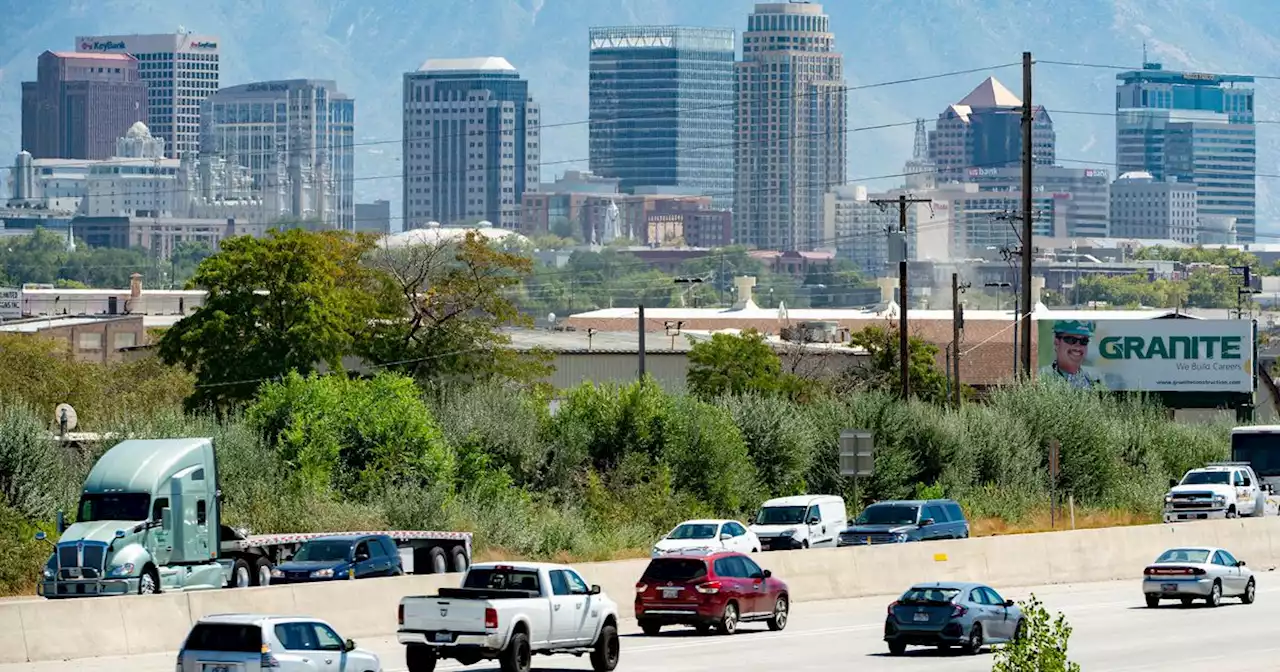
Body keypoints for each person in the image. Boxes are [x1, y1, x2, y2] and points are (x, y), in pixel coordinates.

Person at [1039, 320, 1105, 390]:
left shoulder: (1096, 379)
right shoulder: (1040, 377)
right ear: (1056, 342)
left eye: (1084, 341)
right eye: (1071, 340)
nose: (1077, 346)